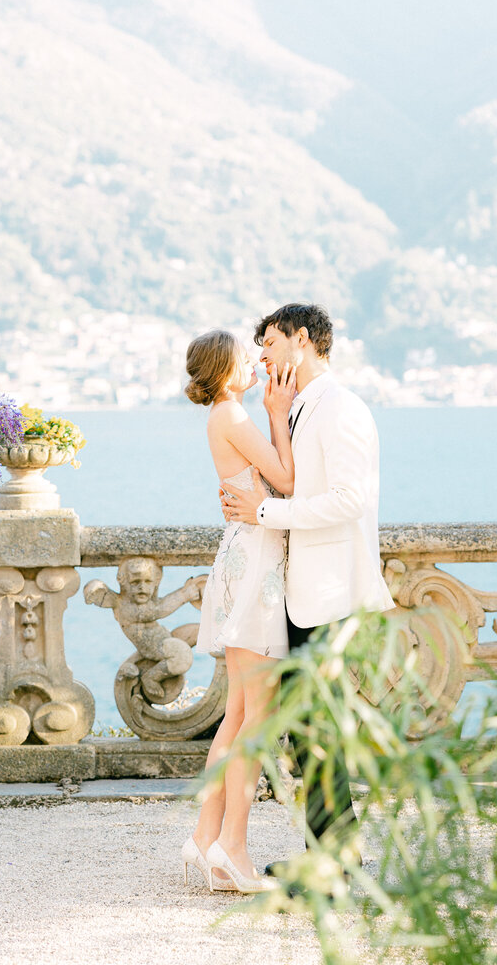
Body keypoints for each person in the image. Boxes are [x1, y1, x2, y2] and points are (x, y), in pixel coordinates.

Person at [220, 303, 395, 876]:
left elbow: (352, 500)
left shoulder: (341, 408)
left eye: (269, 342)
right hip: (304, 595)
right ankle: (332, 857)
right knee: (311, 733)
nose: (263, 355)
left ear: (302, 339)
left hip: (331, 596)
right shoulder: (300, 408)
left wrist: (266, 510)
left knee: (319, 734)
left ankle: (333, 868)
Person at [180, 328, 297, 893]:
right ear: (226, 371)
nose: (256, 362)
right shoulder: (232, 415)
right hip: (256, 562)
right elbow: (288, 479)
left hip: (245, 555)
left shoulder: (224, 415)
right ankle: (234, 848)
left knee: (239, 713)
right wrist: (277, 411)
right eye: (247, 357)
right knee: (258, 717)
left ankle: (206, 838)